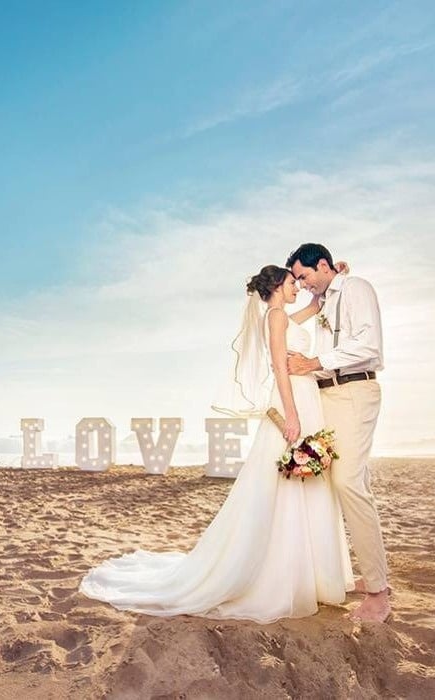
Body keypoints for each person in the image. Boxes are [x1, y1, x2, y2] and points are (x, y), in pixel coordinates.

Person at [79, 265, 354, 623]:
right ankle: (288, 575)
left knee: (306, 484)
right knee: (286, 486)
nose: (297, 288)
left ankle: (311, 575)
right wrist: (291, 415)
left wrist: (336, 275)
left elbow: (314, 306)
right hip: (294, 402)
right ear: (275, 287)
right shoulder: (275, 318)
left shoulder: (284, 317)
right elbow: (279, 369)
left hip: (305, 400)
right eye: (291, 283)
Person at [286, 243, 391, 623]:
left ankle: (379, 595)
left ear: (325, 265)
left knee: (349, 484)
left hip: (355, 391)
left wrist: (313, 362)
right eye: (296, 279)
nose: (302, 283)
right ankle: (371, 575)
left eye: (305, 275)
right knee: (332, 484)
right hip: (327, 394)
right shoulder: (326, 300)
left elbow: (367, 345)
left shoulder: (356, 288)